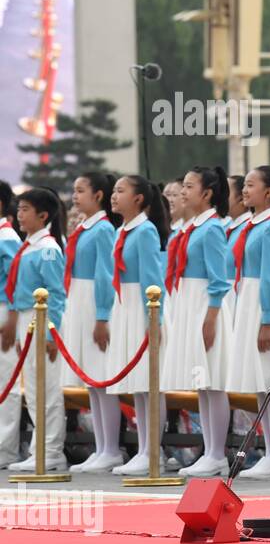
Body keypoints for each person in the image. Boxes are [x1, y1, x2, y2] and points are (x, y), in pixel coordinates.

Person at [226, 165, 270, 479]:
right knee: (259, 381)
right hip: (249, 301)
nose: (244, 190)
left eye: (251, 185)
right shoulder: (254, 225)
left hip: (263, 306)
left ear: (269, 192)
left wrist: (268, 319)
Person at [166, 167, 234, 479]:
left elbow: (219, 280)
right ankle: (209, 450)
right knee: (202, 385)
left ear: (206, 194)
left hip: (206, 306)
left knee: (213, 382)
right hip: (191, 303)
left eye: (189, 186)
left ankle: (217, 453)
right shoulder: (191, 228)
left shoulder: (212, 229)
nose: (183, 192)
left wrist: (211, 317)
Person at [2, 188, 68, 472]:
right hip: (29, 320)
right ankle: (38, 448)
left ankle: (51, 450)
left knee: (48, 388)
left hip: (42, 319)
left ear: (43, 215)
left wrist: (52, 334)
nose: (20, 215)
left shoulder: (48, 250)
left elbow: (56, 294)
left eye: (26, 209)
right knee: (34, 388)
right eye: (19, 209)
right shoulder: (29, 246)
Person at [108, 176, 169, 476]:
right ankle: (144, 447)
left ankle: (151, 449)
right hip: (125, 305)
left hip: (141, 307)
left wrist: (153, 319)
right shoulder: (124, 230)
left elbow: (152, 279)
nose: (114, 196)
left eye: (121, 191)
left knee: (149, 383)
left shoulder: (144, 231)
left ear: (139, 199)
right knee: (138, 387)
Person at [63, 172, 122, 473]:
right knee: (91, 382)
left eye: (80, 190)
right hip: (79, 299)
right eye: (74, 190)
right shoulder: (85, 228)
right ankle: (100, 447)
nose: (75, 196)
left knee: (102, 378)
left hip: (93, 303)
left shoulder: (102, 230)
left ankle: (111, 447)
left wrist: (102, 315)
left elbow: (104, 274)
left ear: (98, 195)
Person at [0, 182, 21, 468]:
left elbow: (16, 281)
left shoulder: (7, 238)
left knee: (6, 380)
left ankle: (6, 448)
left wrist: (12, 317)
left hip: (4, 309)